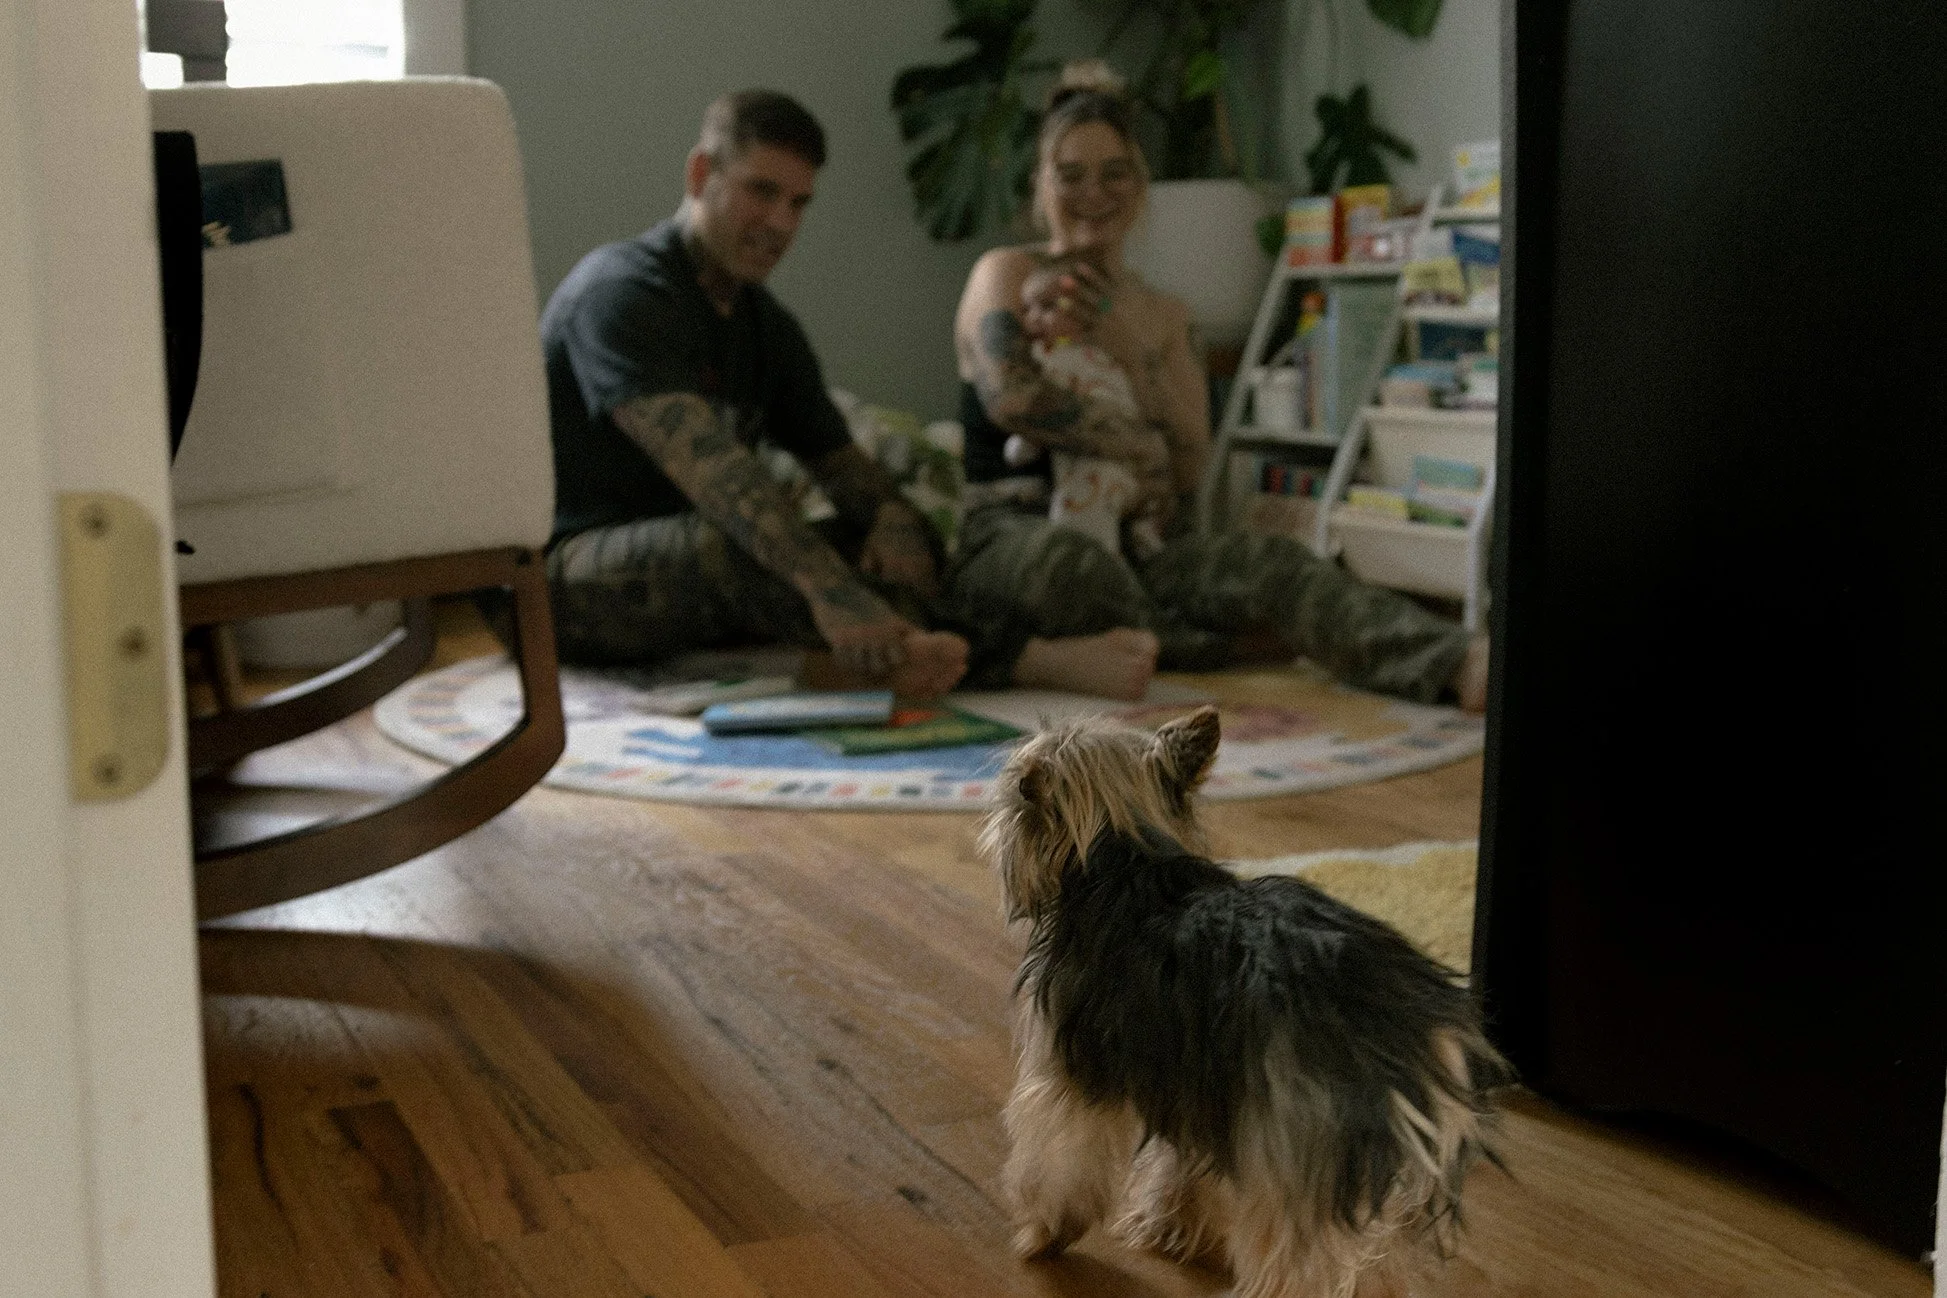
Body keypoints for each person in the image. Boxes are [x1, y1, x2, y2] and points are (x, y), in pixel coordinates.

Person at [946, 66, 1489, 709]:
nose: (1094, 191)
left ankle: (1459, 663)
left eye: (1115, 172)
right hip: (1013, 533)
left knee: (1273, 565)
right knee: (1070, 566)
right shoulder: (1007, 272)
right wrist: (1139, 446)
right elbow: (1011, 398)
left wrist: (1127, 346)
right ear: (1041, 183)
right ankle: (1201, 648)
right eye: (1070, 174)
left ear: (1141, 182)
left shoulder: (1166, 314)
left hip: (1137, 548)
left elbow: (1188, 469)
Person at [540, 90, 969, 699]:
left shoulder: (768, 328)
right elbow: (720, 482)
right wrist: (835, 594)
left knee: (864, 541)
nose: (782, 224)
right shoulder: (620, 293)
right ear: (700, 174)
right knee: (750, 540)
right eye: (762, 192)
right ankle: (988, 661)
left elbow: (845, 470)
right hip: (561, 580)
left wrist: (895, 526)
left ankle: (913, 654)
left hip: (690, 572)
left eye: (799, 203)